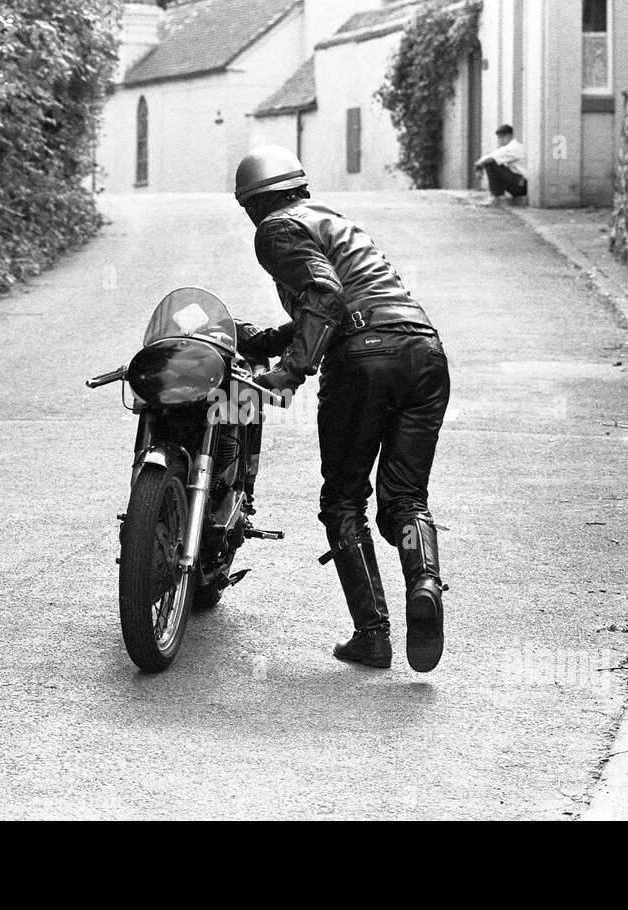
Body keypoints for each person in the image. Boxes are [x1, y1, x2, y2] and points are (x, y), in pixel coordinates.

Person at [232, 146, 450, 673]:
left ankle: (373, 635)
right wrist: (268, 339)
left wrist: (292, 367)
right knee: (404, 500)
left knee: (345, 498)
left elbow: (324, 294)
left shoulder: (275, 228)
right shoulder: (329, 218)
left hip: (363, 363)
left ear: (253, 203)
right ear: (298, 187)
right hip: (424, 351)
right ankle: (423, 583)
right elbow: (347, 301)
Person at [474, 124, 528, 205]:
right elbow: (489, 156)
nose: (501, 140)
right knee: (491, 162)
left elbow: (490, 158)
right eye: (499, 138)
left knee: (491, 164)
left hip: (522, 185)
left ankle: (497, 196)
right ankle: (497, 196)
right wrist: (479, 166)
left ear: (510, 135)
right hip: (519, 183)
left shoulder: (514, 147)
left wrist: (478, 166)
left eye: (503, 137)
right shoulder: (507, 148)